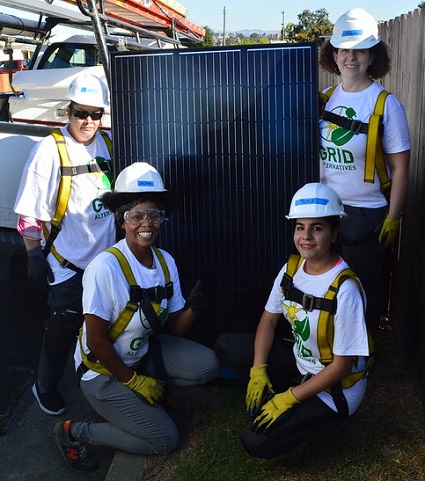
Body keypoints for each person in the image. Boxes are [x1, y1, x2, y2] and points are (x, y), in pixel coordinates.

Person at [53, 162, 220, 473]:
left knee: (207, 366)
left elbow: (175, 328)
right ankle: (74, 432)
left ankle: (140, 403)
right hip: (101, 372)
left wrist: (195, 308)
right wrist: (133, 381)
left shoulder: (165, 261)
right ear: (122, 221)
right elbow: (96, 341)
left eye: (154, 215)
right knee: (164, 440)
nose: (147, 223)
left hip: (140, 355)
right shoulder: (105, 268)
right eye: (136, 216)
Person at [215, 183, 370, 459]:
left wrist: (291, 397)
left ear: (334, 233)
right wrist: (258, 370)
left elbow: (342, 366)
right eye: (300, 227)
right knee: (229, 346)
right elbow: (268, 321)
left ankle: (324, 422)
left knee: (256, 442)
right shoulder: (291, 269)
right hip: (302, 363)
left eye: (317, 228)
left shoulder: (345, 289)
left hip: (334, 387)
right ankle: (288, 389)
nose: (306, 237)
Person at [14, 74, 116, 416]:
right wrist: (32, 254)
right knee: (62, 327)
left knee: (106, 324)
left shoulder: (109, 145)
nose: (88, 121)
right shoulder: (49, 150)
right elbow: (29, 212)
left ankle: (97, 375)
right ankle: (44, 384)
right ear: (67, 112)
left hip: (107, 262)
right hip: (68, 264)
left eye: (95, 114)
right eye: (80, 113)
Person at [319, 8, 410, 333]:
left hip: (366, 215)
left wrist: (393, 217)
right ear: (334, 55)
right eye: (344, 49)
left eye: (359, 50)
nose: (351, 57)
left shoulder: (386, 104)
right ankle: (330, 348)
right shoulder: (325, 99)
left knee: (361, 289)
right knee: (328, 284)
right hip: (326, 211)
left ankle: (362, 353)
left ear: (373, 56)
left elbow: (401, 167)